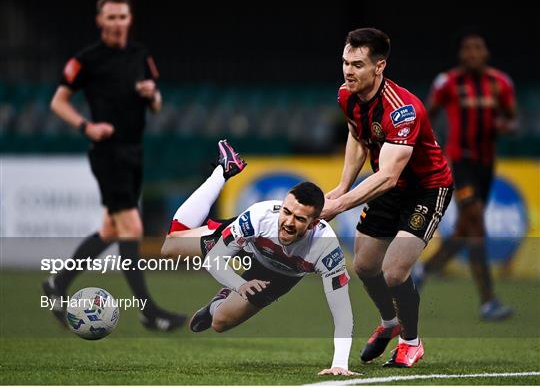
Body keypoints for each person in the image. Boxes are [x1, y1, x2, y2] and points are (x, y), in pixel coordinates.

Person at [42, 0, 185, 331]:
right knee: (132, 229)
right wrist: (86, 126)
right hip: (108, 152)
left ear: (129, 20)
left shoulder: (140, 54)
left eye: (123, 17)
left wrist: (153, 97)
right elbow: (58, 102)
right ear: (100, 21)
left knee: (110, 229)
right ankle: (149, 310)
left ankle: (57, 285)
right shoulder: (87, 59)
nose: (118, 23)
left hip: (134, 150)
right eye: (111, 17)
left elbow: (157, 105)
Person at [161, 140, 356, 376]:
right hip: (249, 246)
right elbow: (214, 259)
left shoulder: (326, 247)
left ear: (314, 224)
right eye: (286, 212)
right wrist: (240, 284)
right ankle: (223, 171)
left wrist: (340, 364)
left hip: (279, 275)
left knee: (220, 322)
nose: (288, 223)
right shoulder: (259, 216)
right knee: (170, 247)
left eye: (300, 219)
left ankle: (216, 304)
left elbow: (342, 309)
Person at [321, 28, 453, 368]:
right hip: (388, 187)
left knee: (394, 272)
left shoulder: (403, 110)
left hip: (426, 189)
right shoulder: (346, 95)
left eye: (358, 65)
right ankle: (390, 323)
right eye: (345, 63)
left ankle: (411, 342)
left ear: (380, 66)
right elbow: (358, 138)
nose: (348, 71)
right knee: (364, 266)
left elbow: (389, 174)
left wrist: (339, 204)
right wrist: (342, 185)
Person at [412, 30, 517, 321]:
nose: (472, 53)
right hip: (460, 162)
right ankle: (488, 301)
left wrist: (505, 125)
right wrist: (425, 148)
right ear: (461, 54)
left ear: (485, 53)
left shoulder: (500, 83)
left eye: (477, 48)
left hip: (485, 165)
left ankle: (422, 272)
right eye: (467, 48)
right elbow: (425, 114)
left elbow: (512, 118)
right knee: (476, 221)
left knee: (463, 231)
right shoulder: (449, 82)